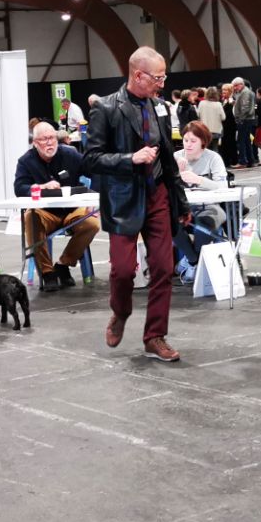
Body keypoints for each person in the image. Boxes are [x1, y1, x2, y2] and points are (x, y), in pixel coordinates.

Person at [84, 46, 191, 363]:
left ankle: (155, 336)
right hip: (123, 200)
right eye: (157, 78)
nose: (162, 83)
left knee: (164, 268)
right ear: (138, 75)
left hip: (158, 195)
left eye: (164, 77)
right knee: (122, 271)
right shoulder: (105, 108)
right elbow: (91, 159)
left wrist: (181, 202)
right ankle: (120, 312)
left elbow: (169, 160)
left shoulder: (161, 108)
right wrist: (130, 158)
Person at [13, 122, 100, 292]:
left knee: (92, 223)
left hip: (72, 211)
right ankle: (47, 273)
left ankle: (63, 264)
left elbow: (95, 172)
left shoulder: (70, 154)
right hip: (45, 213)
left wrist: (93, 198)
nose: (49, 143)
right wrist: (40, 187)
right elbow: (19, 188)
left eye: (52, 138)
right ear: (35, 143)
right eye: (44, 139)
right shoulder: (25, 161)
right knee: (30, 217)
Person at [172, 121, 229, 283]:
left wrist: (199, 180)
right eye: (185, 140)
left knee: (204, 224)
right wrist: (176, 174)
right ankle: (194, 261)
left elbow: (222, 187)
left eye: (193, 141)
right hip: (184, 207)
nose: (188, 144)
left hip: (210, 207)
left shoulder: (213, 158)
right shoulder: (176, 157)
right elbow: (164, 188)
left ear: (203, 142)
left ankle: (191, 261)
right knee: (170, 222)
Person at [232, 77, 257, 168]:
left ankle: (243, 161)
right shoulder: (245, 92)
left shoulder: (245, 92)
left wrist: (240, 119)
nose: (234, 88)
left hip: (244, 120)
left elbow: (245, 108)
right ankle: (251, 160)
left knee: (241, 141)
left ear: (241, 84)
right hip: (247, 119)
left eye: (236, 86)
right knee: (246, 141)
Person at [218, 82, 238, 168]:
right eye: (223, 90)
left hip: (230, 126)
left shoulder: (232, 101)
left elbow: (231, 114)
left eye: (225, 90)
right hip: (224, 127)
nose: (223, 92)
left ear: (230, 91)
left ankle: (233, 161)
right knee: (225, 144)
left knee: (231, 143)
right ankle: (226, 161)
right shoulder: (223, 101)